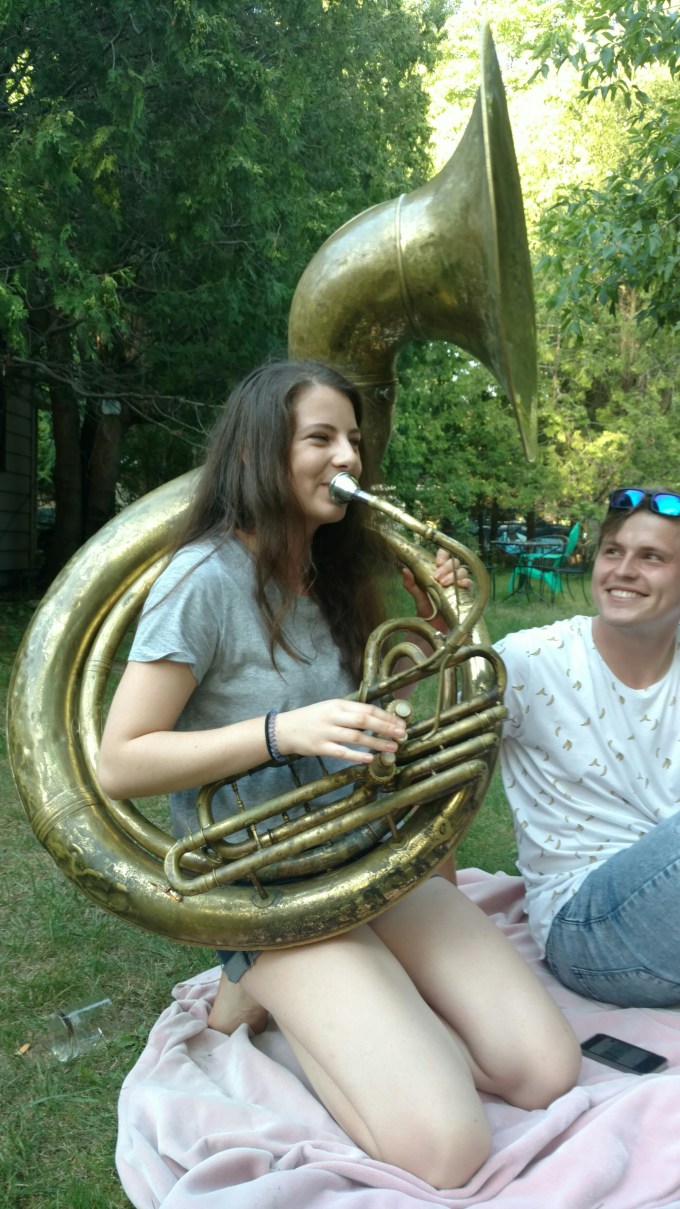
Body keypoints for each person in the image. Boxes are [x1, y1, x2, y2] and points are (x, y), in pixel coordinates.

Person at [98, 360, 579, 1190]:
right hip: (272, 889)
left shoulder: (332, 568)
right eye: (320, 438)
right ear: (255, 452)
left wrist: (432, 639)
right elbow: (121, 759)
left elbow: (373, 708)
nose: (348, 456)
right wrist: (280, 733)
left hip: (366, 855)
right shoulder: (200, 580)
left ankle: (337, 1005)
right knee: (447, 1147)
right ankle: (277, 992)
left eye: (353, 438)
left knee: (545, 1071)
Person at [495, 486, 680, 1009]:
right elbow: (435, 780)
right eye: (613, 551)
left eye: (652, 557)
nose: (624, 570)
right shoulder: (530, 661)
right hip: (586, 928)